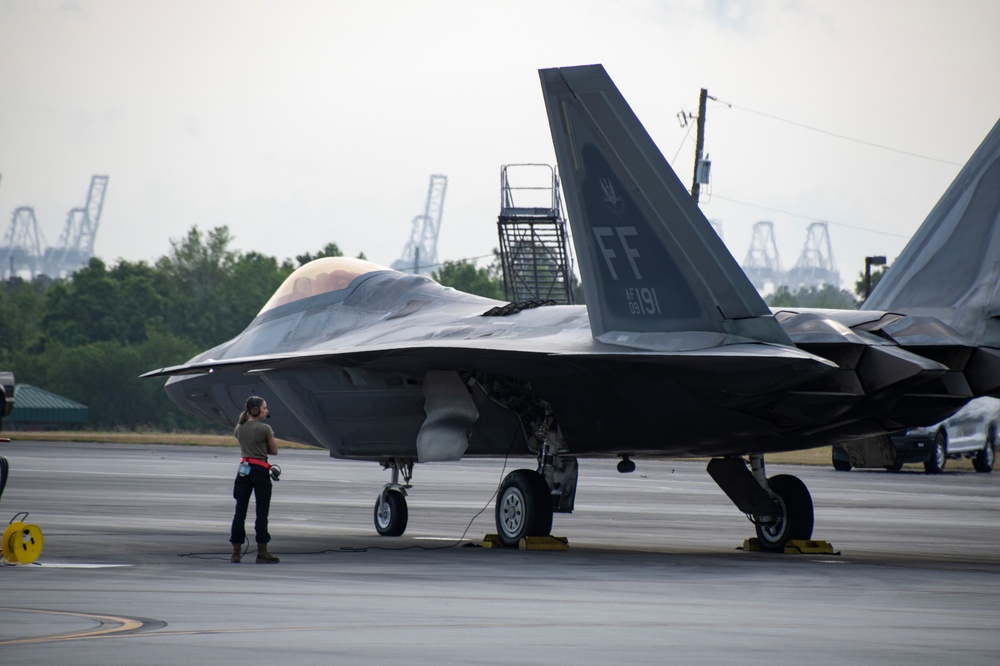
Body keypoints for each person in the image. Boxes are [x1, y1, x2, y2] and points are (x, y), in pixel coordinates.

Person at [230, 396, 280, 564]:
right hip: (260, 470)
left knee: (240, 512)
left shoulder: (239, 427)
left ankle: (236, 552)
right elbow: (274, 451)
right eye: (265, 408)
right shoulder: (265, 428)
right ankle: (262, 551)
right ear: (257, 409)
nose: (267, 411)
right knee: (261, 512)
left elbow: (245, 445)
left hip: (243, 470)